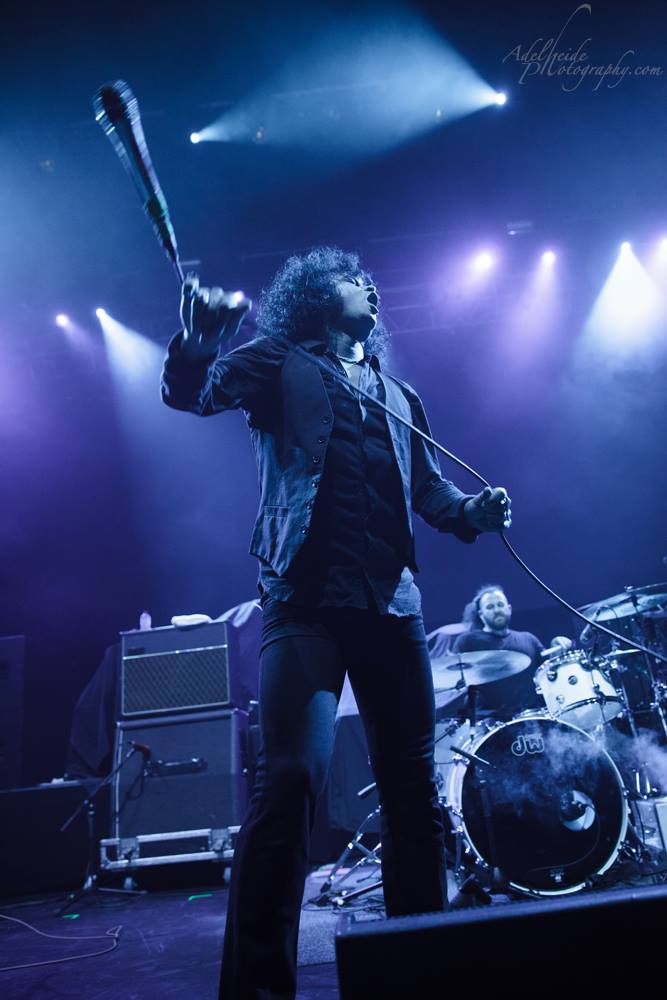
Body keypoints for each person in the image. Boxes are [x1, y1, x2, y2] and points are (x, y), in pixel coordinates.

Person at [160, 246, 512, 1000]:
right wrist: (196, 344)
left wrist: (471, 513)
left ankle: (419, 974)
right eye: (356, 281)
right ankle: (256, 989)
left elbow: (429, 491)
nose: (371, 291)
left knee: (413, 791)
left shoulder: (399, 395)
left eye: (375, 284)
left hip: (392, 607)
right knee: (290, 780)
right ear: (318, 294)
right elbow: (195, 395)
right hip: (304, 602)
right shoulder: (276, 360)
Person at [451, 584, 572, 718]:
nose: (497, 610)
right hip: (490, 721)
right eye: (490, 607)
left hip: (534, 717)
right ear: (481, 614)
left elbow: (548, 672)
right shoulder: (468, 641)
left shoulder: (528, 639)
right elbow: (454, 679)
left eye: (500, 605)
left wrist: (557, 649)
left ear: (509, 608)